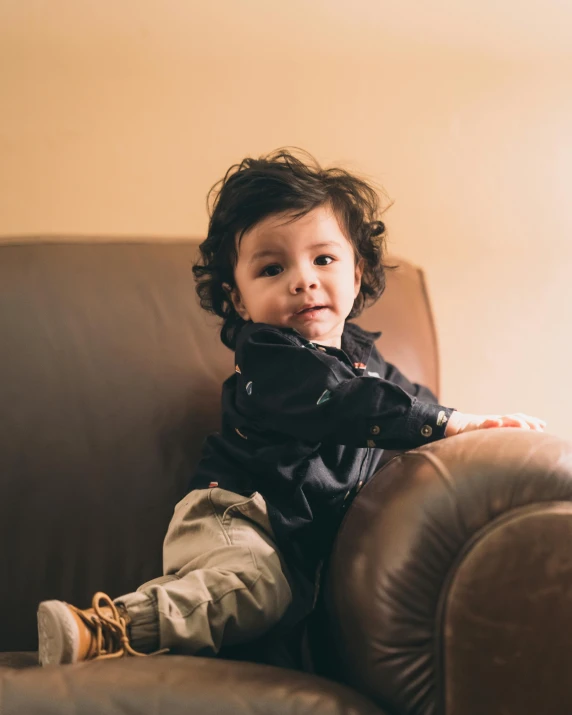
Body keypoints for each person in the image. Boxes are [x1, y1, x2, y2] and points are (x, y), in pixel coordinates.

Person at [37, 148, 546, 669]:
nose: (302, 279)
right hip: (237, 516)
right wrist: (446, 423)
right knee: (252, 585)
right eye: (273, 268)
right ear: (239, 301)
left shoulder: (367, 365)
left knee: (279, 605)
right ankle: (107, 626)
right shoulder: (271, 359)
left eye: (323, 259)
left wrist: (478, 432)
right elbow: (344, 403)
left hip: (291, 545)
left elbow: (413, 406)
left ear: (357, 271)